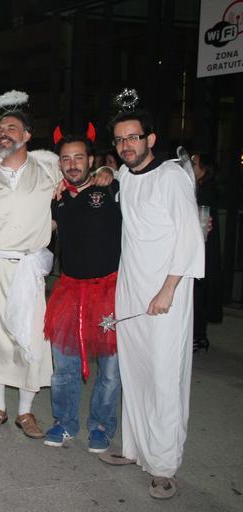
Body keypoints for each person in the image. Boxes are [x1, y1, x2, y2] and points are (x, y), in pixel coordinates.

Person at [99, 108, 204, 500]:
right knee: (135, 370)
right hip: (131, 291)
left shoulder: (172, 177)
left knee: (163, 376)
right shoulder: (126, 176)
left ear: (151, 139)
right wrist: (103, 172)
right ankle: (134, 449)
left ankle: (163, 466)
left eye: (134, 137)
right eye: (120, 139)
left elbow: (190, 235)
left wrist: (168, 289)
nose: (126, 145)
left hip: (165, 294)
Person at [0, 102, 61, 439]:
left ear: (28, 135)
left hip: (27, 269)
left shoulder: (50, 173)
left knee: (30, 338)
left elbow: (81, 188)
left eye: (12, 129)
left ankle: (26, 412)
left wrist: (105, 171)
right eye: (0, 130)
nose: (4, 134)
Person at [43, 132, 122, 453]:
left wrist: (110, 172)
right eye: (66, 158)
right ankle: (64, 422)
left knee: (111, 370)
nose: (72, 164)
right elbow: (40, 229)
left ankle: (101, 426)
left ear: (91, 160)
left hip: (110, 290)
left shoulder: (112, 189)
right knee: (64, 367)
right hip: (69, 291)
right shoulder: (57, 197)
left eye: (78, 157)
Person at [190, 152, 223, 352]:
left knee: (198, 293)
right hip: (203, 249)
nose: (190, 166)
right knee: (199, 293)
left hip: (203, 250)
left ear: (204, 170)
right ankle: (199, 336)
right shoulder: (201, 190)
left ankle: (197, 336)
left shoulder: (203, 192)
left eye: (194, 163)